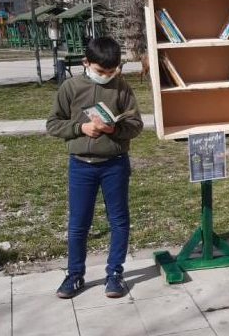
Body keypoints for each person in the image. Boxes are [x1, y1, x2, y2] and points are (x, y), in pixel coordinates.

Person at [46, 37, 144, 298]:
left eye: (112, 72)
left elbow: (136, 125)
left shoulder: (122, 88)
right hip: (81, 166)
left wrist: (116, 129)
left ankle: (115, 274)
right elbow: (53, 124)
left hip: (115, 164)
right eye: (101, 72)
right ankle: (75, 275)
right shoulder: (70, 87)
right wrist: (81, 128)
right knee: (79, 223)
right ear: (86, 63)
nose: (106, 77)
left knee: (119, 220)